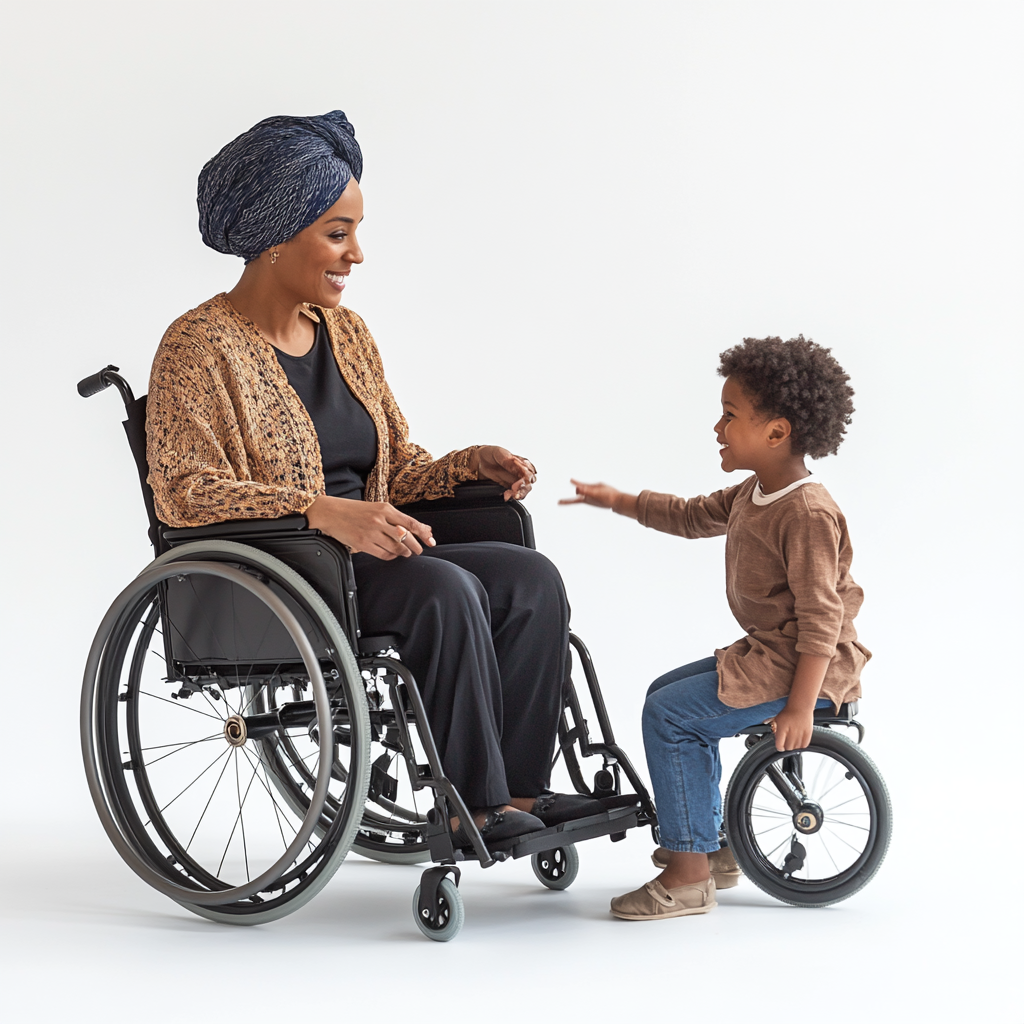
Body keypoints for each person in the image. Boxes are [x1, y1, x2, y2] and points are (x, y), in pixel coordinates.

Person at [146, 110, 606, 847]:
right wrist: (322, 511)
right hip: (289, 570)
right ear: (273, 237)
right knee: (447, 589)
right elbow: (186, 492)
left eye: (355, 232)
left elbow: (398, 468)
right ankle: (473, 808)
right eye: (337, 232)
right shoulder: (197, 348)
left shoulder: (348, 333)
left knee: (529, 578)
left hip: (375, 548)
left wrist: (465, 466)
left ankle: (521, 794)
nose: (356, 254)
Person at [562, 336, 870, 919]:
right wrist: (617, 500)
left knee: (672, 717)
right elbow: (688, 516)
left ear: (777, 432)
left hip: (806, 664)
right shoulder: (756, 492)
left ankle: (688, 876)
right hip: (773, 652)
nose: (717, 427)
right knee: (664, 694)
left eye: (730, 416)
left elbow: (822, 623)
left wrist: (801, 707)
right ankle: (715, 848)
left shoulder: (806, 512)